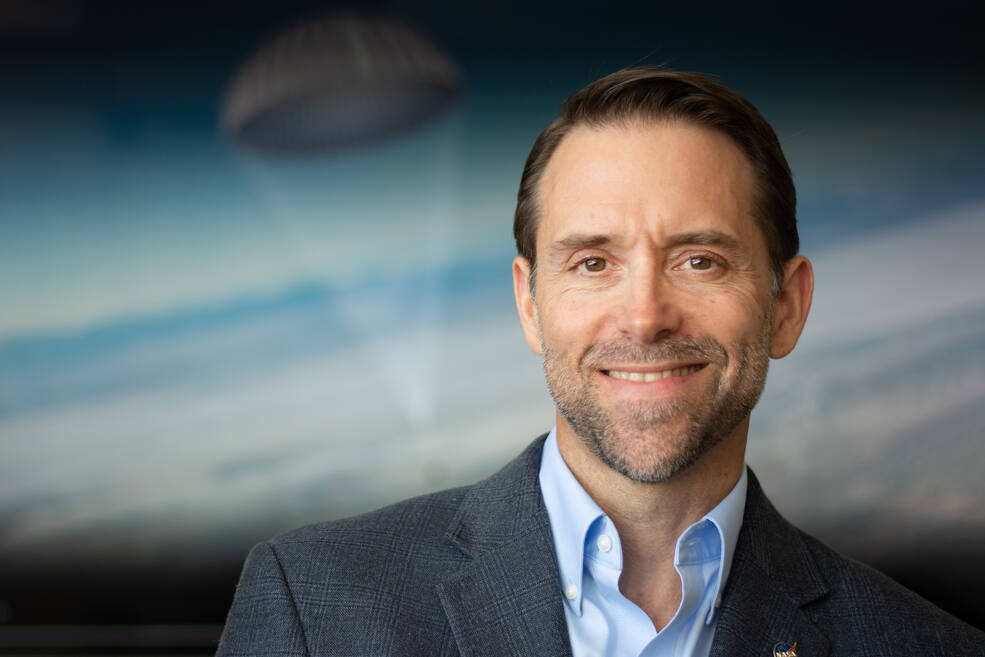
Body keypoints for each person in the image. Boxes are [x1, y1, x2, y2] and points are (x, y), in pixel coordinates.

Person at [216, 68, 985, 656]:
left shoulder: (919, 644)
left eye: (699, 260)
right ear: (529, 303)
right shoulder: (314, 610)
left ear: (786, 304)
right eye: (592, 262)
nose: (645, 315)